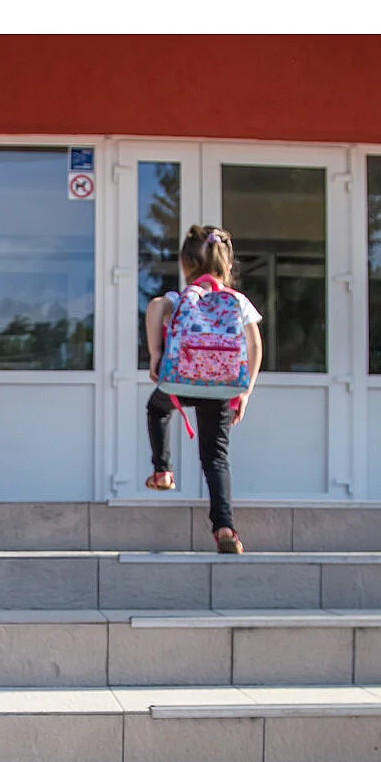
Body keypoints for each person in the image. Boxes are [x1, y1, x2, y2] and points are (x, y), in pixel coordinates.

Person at [144, 225, 263, 553]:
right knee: (215, 458)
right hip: (223, 387)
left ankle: (162, 471)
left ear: (185, 266)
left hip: (180, 380)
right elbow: (254, 345)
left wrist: (156, 354)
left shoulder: (181, 298)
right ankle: (225, 527)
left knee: (157, 408)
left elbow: (155, 307)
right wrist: (245, 392)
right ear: (226, 266)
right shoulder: (237, 301)